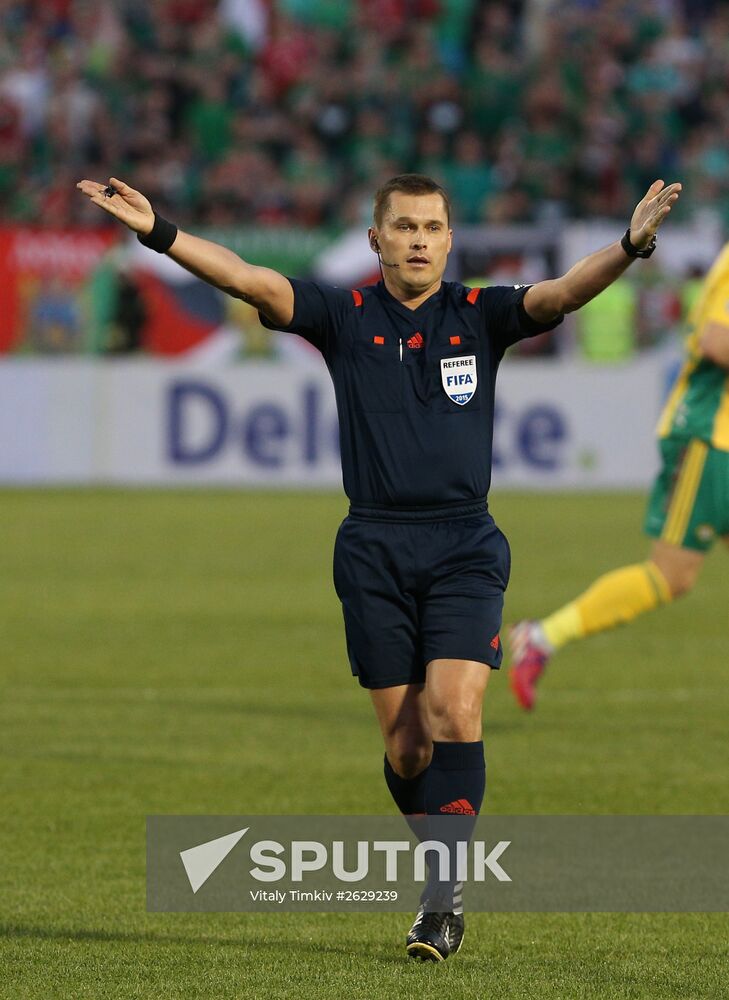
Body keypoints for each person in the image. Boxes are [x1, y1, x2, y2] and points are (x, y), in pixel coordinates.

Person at [77, 171, 681, 961]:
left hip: (464, 543)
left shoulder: (480, 314)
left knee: (454, 711)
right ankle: (441, 863)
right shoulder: (342, 315)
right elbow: (247, 278)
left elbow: (562, 294)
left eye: (431, 227)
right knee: (406, 748)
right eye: (403, 228)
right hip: (372, 547)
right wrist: (160, 232)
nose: (419, 240)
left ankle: (442, 898)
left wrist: (632, 246)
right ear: (376, 241)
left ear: (449, 239)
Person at [510, 242, 729, 712]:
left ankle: (542, 637)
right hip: (710, 438)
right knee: (671, 575)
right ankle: (543, 637)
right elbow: (717, 341)